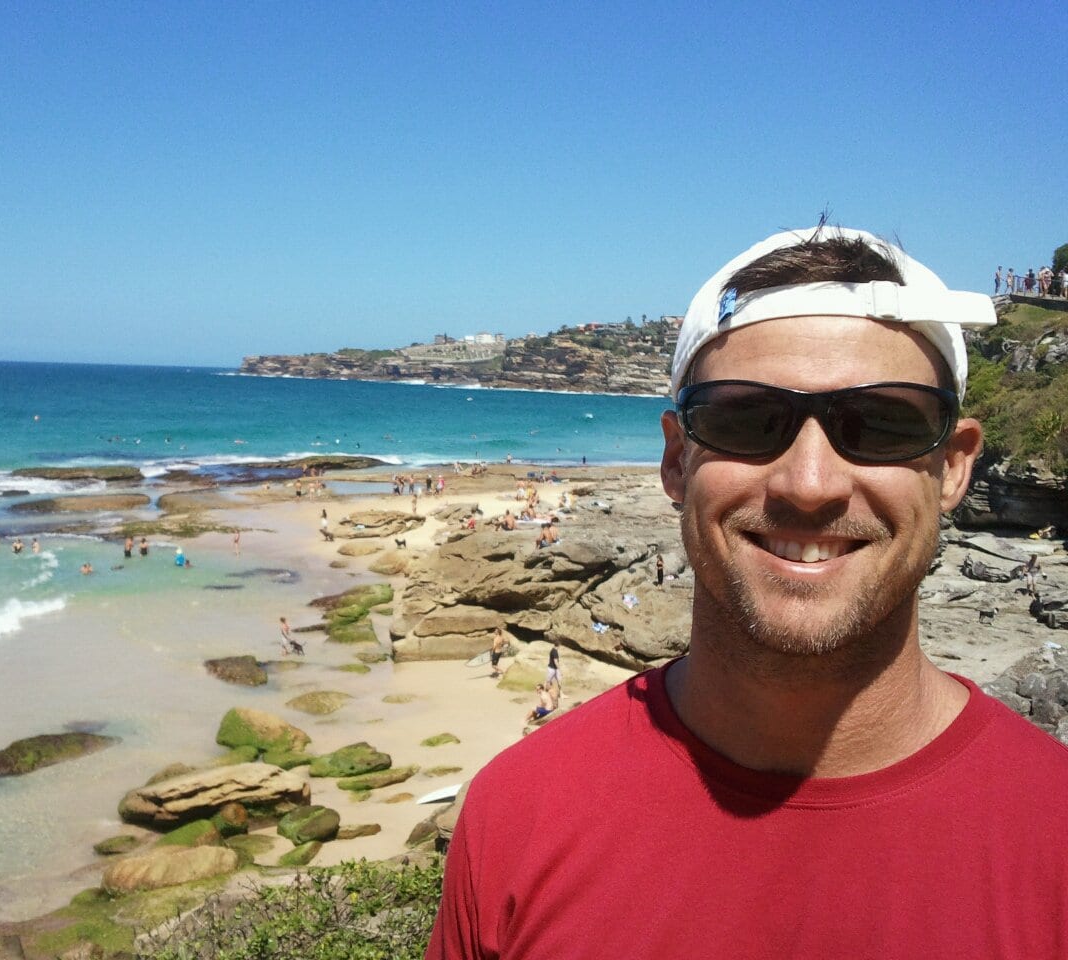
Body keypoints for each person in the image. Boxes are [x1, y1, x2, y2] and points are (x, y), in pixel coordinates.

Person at [427, 225, 1068, 958]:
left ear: (954, 468)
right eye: (745, 419)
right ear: (676, 461)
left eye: (884, 423)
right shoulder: (519, 812)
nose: (810, 484)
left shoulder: (1055, 834)